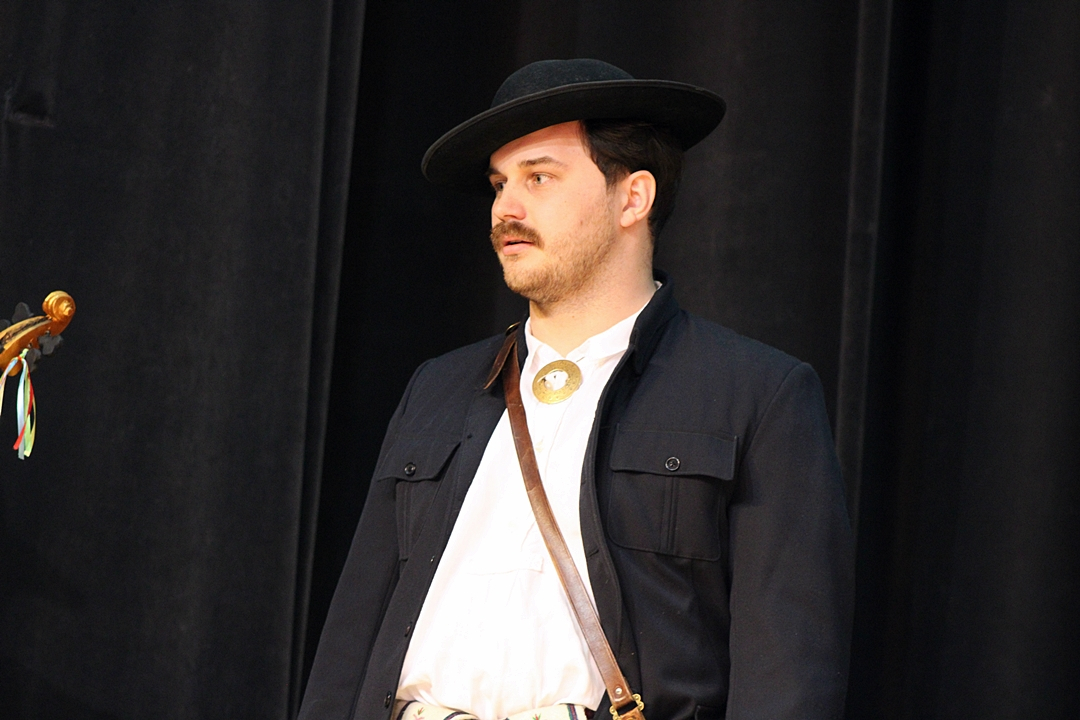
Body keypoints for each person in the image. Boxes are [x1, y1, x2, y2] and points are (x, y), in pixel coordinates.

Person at [300, 58, 854, 720]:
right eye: (500, 183)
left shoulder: (758, 395)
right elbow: (351, 637)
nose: (505, 208)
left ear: (632, 198)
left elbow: (786, 678)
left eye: (539, 177)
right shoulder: (437, 388)